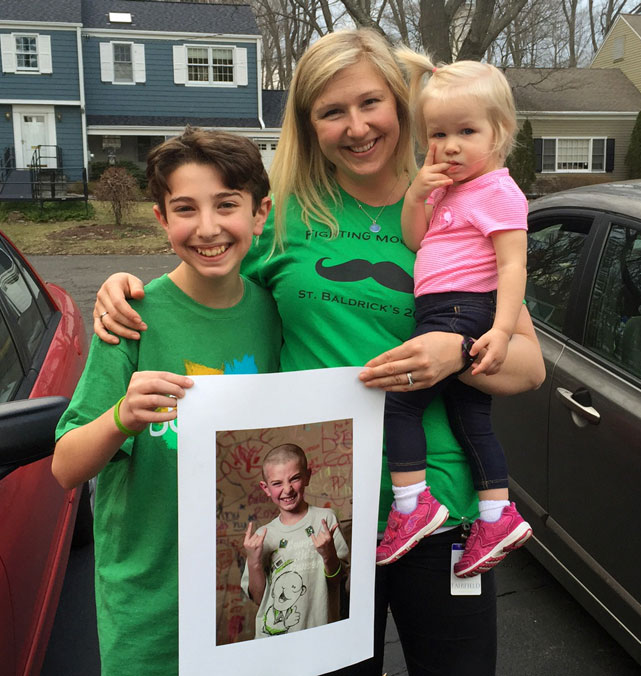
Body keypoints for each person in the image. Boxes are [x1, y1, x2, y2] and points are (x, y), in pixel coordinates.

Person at [92, 29, 545, 676]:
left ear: (400, 103)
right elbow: (211, 283)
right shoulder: (288, 218)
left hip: (445, 509)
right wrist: (126, 289)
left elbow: (530, 367)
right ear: (310, 124)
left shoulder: (454, 204)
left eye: (370, 104)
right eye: (332, 112)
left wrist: (460, 351)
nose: (356, 127)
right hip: (324, 517)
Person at [51, 128, 282, 674]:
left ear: (259, 212)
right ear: (161, 218)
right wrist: (120, 418)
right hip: (151, 609)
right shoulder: (130, 319)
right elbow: (65, 467)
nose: (207, 228)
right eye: (185, 208)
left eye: (227, 205)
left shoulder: (276, 315)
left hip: (249, 598)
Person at [375, 49, 532, 577]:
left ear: (499, 132)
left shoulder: (499, 192)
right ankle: (496, 514)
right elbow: (415, 240)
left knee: (401, 405)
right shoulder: (449, 191)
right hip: (449, 308)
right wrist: (417, 195)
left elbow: (513, 267)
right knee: (471, 418)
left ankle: (410, 505)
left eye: (466, 131)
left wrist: (503, 331)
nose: (449, 146)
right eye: (437, 135)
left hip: (461, 309)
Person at [241, 443, 350, 638]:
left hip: (320, 636)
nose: (287, 489)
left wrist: (328, 555)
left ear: (307, 476)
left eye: (295, 479)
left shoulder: (325, 520)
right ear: (265, 488)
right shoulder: (263, 535)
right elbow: (260, 599)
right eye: (277, 483)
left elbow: (337, 583)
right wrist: (254, 562)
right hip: (274, 642)